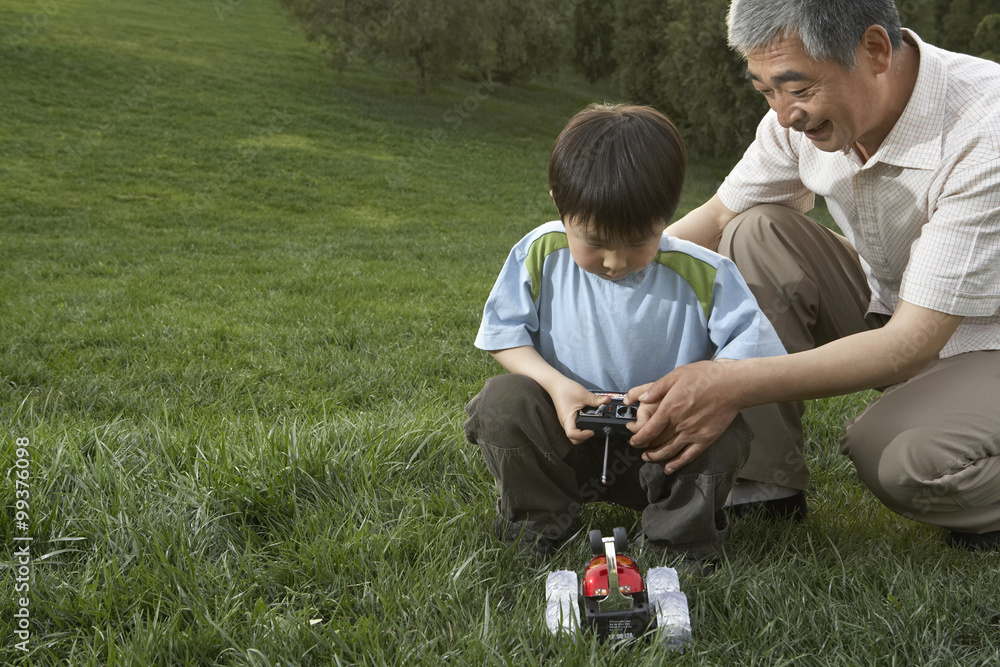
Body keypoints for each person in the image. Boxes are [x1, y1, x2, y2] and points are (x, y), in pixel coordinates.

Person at [626, 0, 1000, 549]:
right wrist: (598, 269)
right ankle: (765, 487)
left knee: (901, 462)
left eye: (798, 90)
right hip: (893, 303)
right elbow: (717, 219)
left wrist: (727, 384)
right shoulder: (797, 119)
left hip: (980, 335)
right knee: (758, 232)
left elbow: (911, 344)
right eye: (766, 91)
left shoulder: (984, 131)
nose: (783, 114)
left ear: (874, 50)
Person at [463, 103, 786, 566]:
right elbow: (502, 334)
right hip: (565, 437)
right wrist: (557, 386)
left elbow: (754, 362)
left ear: (667, 213)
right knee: (502, 402)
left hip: (663, 448)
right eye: (593, 242)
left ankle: (682, 542)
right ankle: (536, 522)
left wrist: (682, 400)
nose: (615, 262)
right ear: (559, 202)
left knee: (723, 425)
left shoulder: (707, 274)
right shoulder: (538, 252)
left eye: (639, 242)